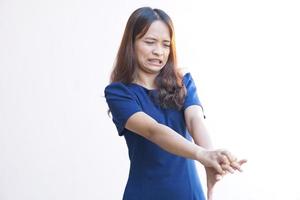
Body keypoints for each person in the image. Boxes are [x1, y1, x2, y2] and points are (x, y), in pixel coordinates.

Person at [104, 7, 247, 200]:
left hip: (189, 193)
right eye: (149, 42)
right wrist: (202, 154)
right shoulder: (119, 93)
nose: (158, 51)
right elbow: (153, 131)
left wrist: (211, 157)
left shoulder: (183, 82)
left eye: (166, 44)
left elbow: (195, 119)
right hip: (145, 194)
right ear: (132, 43)